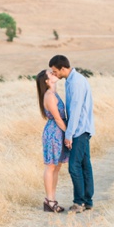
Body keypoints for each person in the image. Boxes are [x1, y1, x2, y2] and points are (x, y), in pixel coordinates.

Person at [49, 54, 95, 213]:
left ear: (63, 68)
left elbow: (75, 112)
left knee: (74, 167)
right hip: (82, 128)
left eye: (55, 71)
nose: (54, 74)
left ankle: (79, 202)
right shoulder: (73, 80)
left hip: (79, 130)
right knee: (84, 165)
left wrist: (69, 135)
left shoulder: (75, 83)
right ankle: (87, 201)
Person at [36, 69, 69, 213]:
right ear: (46, 81)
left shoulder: (53, 93)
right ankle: (49, 201)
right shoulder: (49, 95)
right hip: (54, 132)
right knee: (51, 166)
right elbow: (57, 118)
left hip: (58, 131)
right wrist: (69, 134)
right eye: (51, 73)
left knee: (57, 167)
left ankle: (52, 199)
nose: (54, 73)